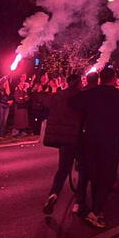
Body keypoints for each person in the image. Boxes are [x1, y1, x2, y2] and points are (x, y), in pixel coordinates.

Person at [71, 68, 119, 229]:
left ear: (100, 79)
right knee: (107, 176)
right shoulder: (118, 96)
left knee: (95, 174)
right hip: (109, 141)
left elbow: (72, 103)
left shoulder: (90, 93)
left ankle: (95, 208)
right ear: (113, 79)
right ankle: (95, 212)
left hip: (90, 139)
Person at [42, 74, 83, 215]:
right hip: (77, 137)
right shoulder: (81, 96)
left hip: (64, 139)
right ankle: (79, 201)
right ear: (78, 83)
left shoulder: (59, 95)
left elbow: (48, 104)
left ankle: (53, 194)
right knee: (83, 169)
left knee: (62, 169)